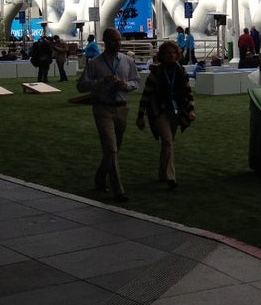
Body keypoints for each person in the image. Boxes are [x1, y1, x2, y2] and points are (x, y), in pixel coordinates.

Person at [77, 28, 140, 203]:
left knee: (114, 149)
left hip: (121, 108)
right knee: (111, 148)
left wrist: (126, 85)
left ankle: (100, 177)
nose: (117, 43)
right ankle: (118, 190)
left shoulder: (127, 61)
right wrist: (101, 82)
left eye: (119, 40)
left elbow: (136, 81)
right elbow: (81, 86)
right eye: (114, 40)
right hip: (102, 108)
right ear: (105, 41)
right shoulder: (95, 63)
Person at [136, 40, 196, 190]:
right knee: (168, 140)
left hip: (176, 110)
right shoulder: (156, 72)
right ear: (162, 55)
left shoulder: (181, 71)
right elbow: (146, 94)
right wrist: (140, 115)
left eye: (173, 52)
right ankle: (171, 177)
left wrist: (191, 110)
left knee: (167, 143)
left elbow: (188, 92)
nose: (171, 55)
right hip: (159, 111)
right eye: (168, 52)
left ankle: (163, 173)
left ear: (177, 54)